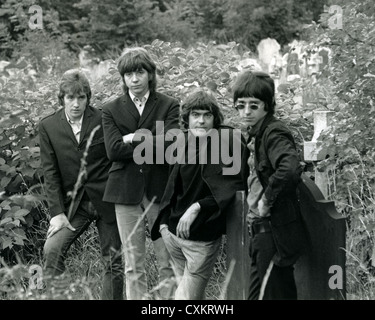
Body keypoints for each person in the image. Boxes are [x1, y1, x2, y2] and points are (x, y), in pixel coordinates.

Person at [150, 89, 246, 300]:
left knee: (184, 299)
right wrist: (164, 224)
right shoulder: (182, 141)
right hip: (172, 236)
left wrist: (197, 207)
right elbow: (172, 185)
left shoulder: (228, 142)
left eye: (207, 115)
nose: (201, 121)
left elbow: (233, 186)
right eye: (196, 115)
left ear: (215, 119)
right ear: (187, 118)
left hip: (201, 240)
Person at [102, 47, 179, 300]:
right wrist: (152, 143)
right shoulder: (110, 109)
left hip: (160, 190)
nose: (134, 79)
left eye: (139, 72)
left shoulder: (169, 105)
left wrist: (134, 137)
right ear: (122, 78)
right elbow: (113, 150)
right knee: (133, 264)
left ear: (150, 74)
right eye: (128, 74)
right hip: (125, 191)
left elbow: (170, 146)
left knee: (167, 259)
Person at [39, 69, 123, 300]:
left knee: (113, 261)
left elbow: (116, 155)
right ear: (62, 98)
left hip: (107, 201)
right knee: (52, 250)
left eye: (81, 98)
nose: (76, 104)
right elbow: (50, 172)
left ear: (88, 97)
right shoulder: (47, 126)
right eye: (70, 98)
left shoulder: (104, 118)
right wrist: (56, 213)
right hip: (74, 206)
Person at [232, 70, 307, 300]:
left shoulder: (273, 132)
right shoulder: (256, 134)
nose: (246, 112)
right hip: (261, 232)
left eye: (253, 106)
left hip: (272, 232)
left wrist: (267, 199)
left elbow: (290, 168)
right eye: (241, 105)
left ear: (267, 105)